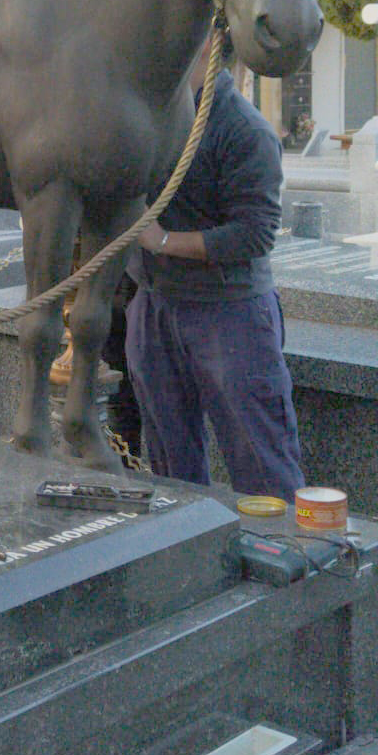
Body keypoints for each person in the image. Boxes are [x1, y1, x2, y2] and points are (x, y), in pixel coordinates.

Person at [124, 29, 304, 501]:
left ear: (207, 44)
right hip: (154, 307)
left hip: (230, 316)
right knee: (169, 467)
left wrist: (160, 240)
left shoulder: (246, 129)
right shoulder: (155, 114)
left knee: (263, 466)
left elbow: (255, 233)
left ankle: (281, 562)